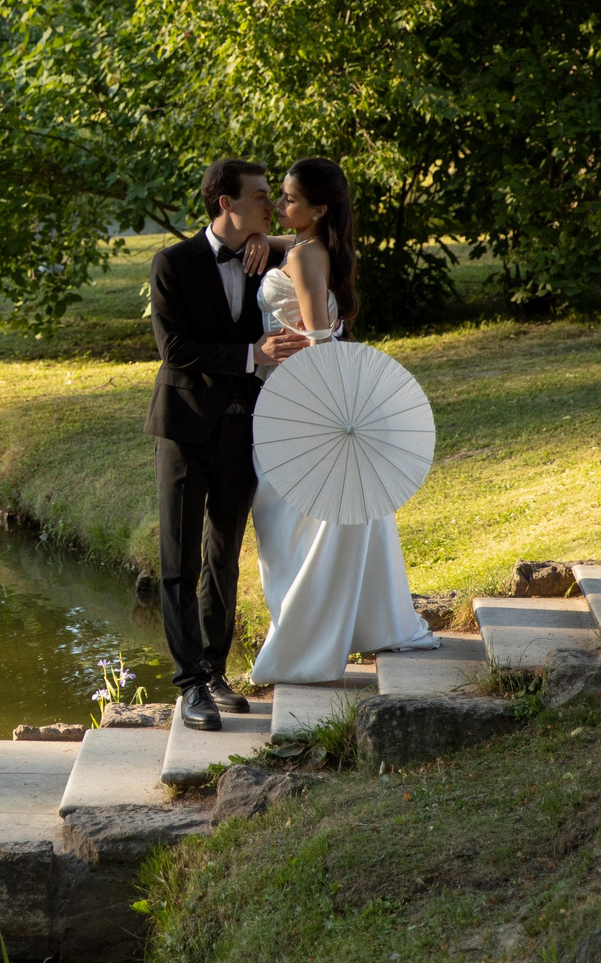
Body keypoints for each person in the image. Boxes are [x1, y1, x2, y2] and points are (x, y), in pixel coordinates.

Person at [245, 157, 438, 686]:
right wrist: (277, 243)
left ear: (319, 208)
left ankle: (302, 643)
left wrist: (320, 415)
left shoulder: (307, 255)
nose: (280, 206)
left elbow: (317, 337)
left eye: (288, 199)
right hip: (298, 391)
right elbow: (302, 253)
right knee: (297, 519)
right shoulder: (318, 247)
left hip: (298, 400)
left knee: (286, 523)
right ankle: (341, 624)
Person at [144, 159, 310, 731]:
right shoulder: (172, 263)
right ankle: (189, 685)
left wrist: (267, 236)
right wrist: (251, 356)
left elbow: (321, 239)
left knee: (224, 557)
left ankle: (215, 670)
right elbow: (176, 350)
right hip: (185, 427)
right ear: (225, 204)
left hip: (243, 428)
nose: (272, 203)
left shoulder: (262, 252)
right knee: (179, 560)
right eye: (261, 197)